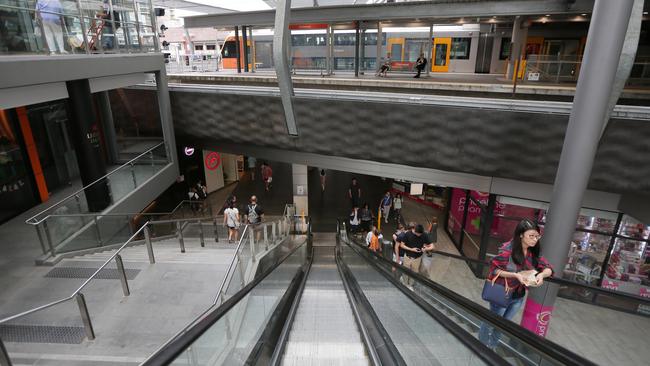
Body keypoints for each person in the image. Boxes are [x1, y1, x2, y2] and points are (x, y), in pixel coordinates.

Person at [478, 219, 554, 350]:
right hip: (502, 293)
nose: (535, 239)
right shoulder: (507, 250)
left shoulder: (533, 252)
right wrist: (515, 275)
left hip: (518, 297)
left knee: (504, 325)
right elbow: (494, 270)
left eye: (537, 236)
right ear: (521, 235)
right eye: (531, 236)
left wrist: (541, 275)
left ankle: (493, 346)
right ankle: (482, 345)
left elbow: (549, 268)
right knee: (491, 322)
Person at [397, 224, 427, 289]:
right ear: (415, 231)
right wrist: (412, 249)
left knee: (414, 272)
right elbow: (401, 245)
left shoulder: (424, 234)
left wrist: (425, 248)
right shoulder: (407, 234)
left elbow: (428, 245)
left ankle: (410, 285)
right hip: (408, 257)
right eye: (419, 234)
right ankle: (405, 283)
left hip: (417, 258)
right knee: (406, 271)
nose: (420, 235)